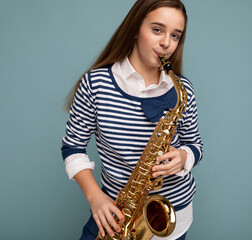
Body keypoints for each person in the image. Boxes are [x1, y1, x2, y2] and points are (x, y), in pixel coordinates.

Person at [61, 0, 203, 239]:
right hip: (116, 214)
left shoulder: (182, 90)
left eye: (175, 35)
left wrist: (182, 157)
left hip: (172, 217)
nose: (166, 43)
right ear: (136, 28)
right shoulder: (95, 84)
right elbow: (73, 148)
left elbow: (195, 145)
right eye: (157, 30)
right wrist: (95, 197)